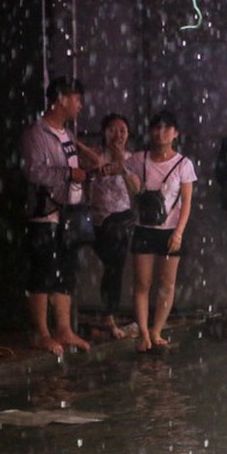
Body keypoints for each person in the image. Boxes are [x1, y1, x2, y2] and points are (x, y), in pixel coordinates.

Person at [19, 76, 101, 355]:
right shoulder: (36, 134)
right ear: (61, 99)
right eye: (76, 98)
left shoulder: (66, 134)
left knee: (66, 270)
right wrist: (67, 174)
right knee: (42, 271)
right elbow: (33, 171)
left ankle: (64, 329)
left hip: (70, 211)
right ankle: (42, 332)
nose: (79, 105)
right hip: (46, 212)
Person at [126, 110, 197, 353]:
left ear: (175, 133)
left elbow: (186, 202)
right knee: (142, 283)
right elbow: (121, 171)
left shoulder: (183, 164)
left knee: (166, 283)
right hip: (144, 228)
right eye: (157, 128)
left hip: (169, 230)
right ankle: (144, 333)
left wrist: (178, 233)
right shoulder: (139, 158)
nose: (161, 133)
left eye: (167, 128)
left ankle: (157, 330)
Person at [82, 114, 141, 338]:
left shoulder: (132, 158)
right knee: (112, 266)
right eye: (112, 130)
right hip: (95, 219)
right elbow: (88, 169)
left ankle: (109, 316)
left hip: (120, 219)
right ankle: (103, 316)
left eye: (122, 131)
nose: (118, 135)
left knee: (115, 267)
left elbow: (135, 188)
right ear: (104, 132)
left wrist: (121, 162)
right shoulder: (95, 154)